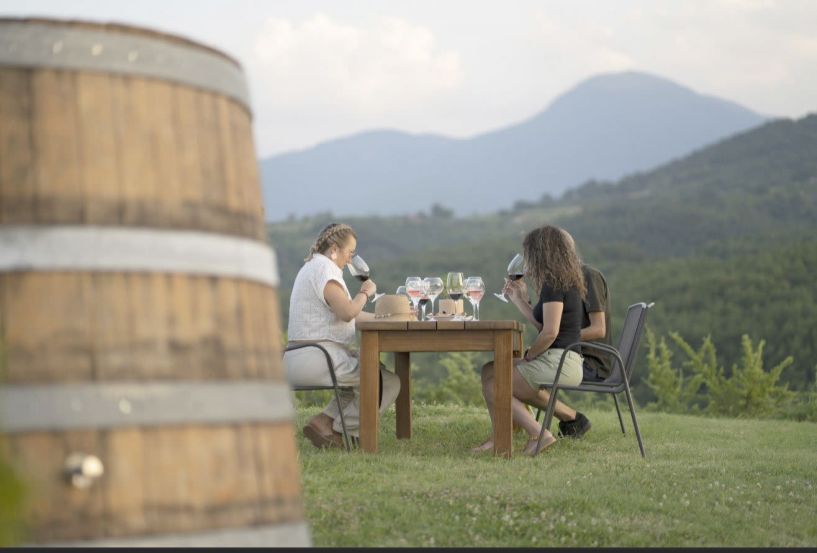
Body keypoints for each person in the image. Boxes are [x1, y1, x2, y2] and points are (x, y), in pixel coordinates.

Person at [472, 224, 586, 456]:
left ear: (541, 253)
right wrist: (519, 300)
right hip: (560, 358)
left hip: (560, 361)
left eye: (529, 253)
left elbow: (551, 333)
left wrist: (530, 355)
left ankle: (539, 434)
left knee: (496, 384)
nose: (527, 260)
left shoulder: (555, 285)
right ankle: (500, 436)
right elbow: (545, 327)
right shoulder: (558, 282)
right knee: (490, 370)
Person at [283, 223, 401, 449]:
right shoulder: (325, 271)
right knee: (387, 381)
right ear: (335, 248)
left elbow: (350, 313)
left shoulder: (313, 267)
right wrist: (365, 293)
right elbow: (348, 312)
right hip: (318, 359)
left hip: (299, 358)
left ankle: (323, 422)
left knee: (368, 376)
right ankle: (342, 431)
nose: (350, 260)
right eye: (350, 253)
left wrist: (386, 318)